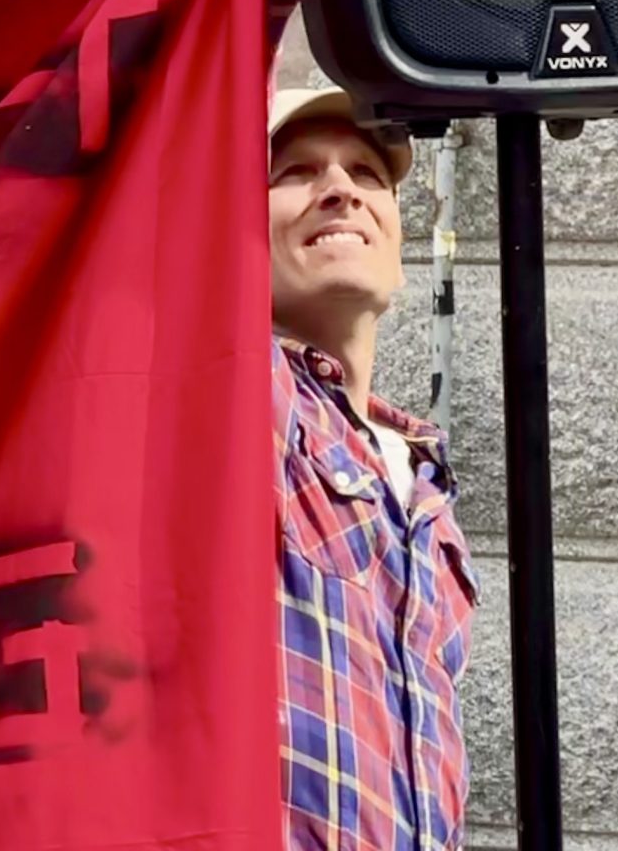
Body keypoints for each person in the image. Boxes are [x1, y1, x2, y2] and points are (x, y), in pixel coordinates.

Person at [268, 85, 477, 849]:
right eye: (293, 171)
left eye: (367, 173)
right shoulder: (232, 398)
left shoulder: (424, 480)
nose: (339, 191)